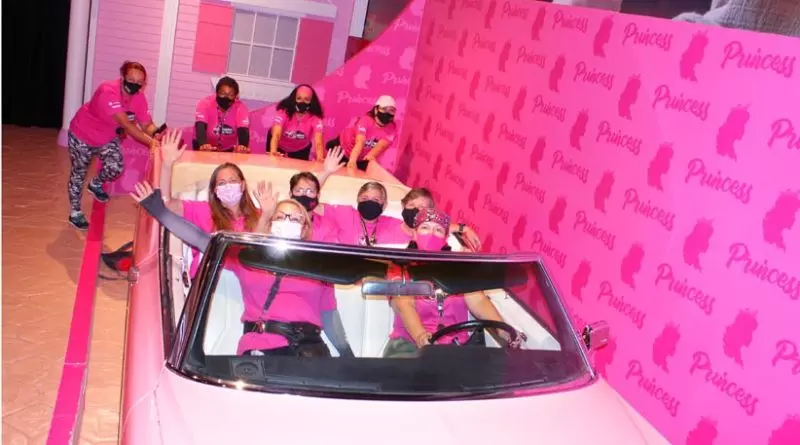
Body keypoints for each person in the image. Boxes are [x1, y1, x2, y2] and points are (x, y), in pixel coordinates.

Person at [130, 185, 354, 358]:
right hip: (263, 347)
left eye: (295, 218)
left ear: (305, 228)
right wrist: (159, 210)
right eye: (280, 216)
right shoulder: (248, 257)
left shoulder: (318, 266)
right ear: (270, 224)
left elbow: (330, 318)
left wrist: (348, 358)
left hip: (311, 350)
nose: (287, 221)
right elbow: (200, 239)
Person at [383, 208, 519, 358]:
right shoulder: (399, 266)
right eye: (425, 228)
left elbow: (478, 300)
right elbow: (403, 304)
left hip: (455, 348)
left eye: (438, 230)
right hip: (409, 346)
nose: (431, 234)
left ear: (446, 237)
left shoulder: (459, 266)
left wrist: (501, 328)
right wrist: (421, 336)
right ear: (414, 233)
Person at [158, 129, 274, 278]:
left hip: (244, 282)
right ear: (215, 190)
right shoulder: (203, 211)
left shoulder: (259, 215)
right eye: (222, 183)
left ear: (243, 185)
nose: (228, 186)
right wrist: (167, 165)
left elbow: (258, 253)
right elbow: (166, 205)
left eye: (233, 181)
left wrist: (267, 215)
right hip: (210, 280)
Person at [66, 60, 163, 230]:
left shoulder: (139, 98)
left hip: (106, 137)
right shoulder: (107, 91)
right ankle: (75, 212)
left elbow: (146, 124)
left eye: (140, 82)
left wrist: (156, 133)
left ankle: (95, 183)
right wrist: (153, 143)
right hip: (82, 134)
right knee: (78, 173)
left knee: (116, 168)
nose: (135, 84)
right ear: (122, 77)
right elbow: (128, 126)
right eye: (131, 80)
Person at [321, 183, 483, 250]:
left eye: (423, 209)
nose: (417, 211)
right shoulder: (386, 224)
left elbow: (438, 228)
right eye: (412, 206)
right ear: (403, 206)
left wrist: (463, 228)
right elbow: (310, 207)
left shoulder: (425, 235)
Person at [326, 95, 398, 172]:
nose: (387, 113)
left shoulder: (392, 130)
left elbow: (378, 148)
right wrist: (352, 161)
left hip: (360, 158)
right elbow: (360, 142)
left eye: (391, 110)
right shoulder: (365, 121)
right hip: (341, 148)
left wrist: (368, 157)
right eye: (384, 109)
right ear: (376, 110)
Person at [194, 76, 250, 153]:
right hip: (203, 145)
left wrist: (243, 147)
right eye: (222, 93)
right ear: (216, 93)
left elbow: (243, 130)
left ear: (236, 96)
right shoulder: (205, 103)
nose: (226, 97)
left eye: (230, 95)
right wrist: (203, 144)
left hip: (228, 150)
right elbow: (200, 126)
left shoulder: (241, 107)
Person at [269, 84, 325, 160]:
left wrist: (320, 159)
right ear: (294, 99)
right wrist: (273, 153)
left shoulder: (315, 118)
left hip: (300, 148)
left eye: (306, 99)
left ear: (311, 101)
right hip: (278, 145)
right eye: (299, 98)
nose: (302, 102)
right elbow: (276, 135)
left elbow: (318, 143)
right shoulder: (284, 112)